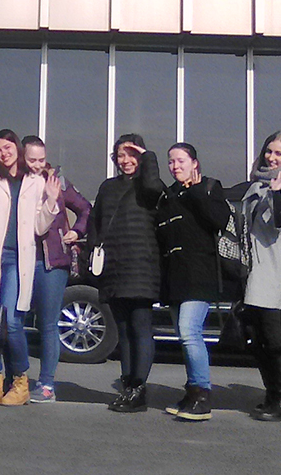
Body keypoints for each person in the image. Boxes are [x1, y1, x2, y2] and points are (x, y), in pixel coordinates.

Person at [0, 129, 61, 407]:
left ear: (17, 149)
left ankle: (20, 381)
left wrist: (51, 200)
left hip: (17, 261)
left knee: (10, 321)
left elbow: (39, 228)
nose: (3, 154)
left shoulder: (34, 182)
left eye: (8, 148)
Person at [89, 134, 165, 413]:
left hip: (142, 266)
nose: (125, 160)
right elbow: (95, 222)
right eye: (121, 155)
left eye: (132, 154)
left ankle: (139, 389)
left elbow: (155, 187)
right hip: (114, 266)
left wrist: (148, 156)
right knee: (122, 329)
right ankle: (128, 386)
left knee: (140, 327)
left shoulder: (148, 186)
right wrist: (94, 251)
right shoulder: (108, 187)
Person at [156, 143, 231, 422]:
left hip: (199, 274)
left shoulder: (209, 187)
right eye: (171, 162)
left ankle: (202, 394)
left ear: (194, 163)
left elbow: (219, 220)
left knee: (190, 331)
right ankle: (192, 391)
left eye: (181, 161)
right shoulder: (168, 195)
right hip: (175, 276)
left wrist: (197, 192)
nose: (175, 166)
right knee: (183, 335)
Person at [21, 135, 92, 403]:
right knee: (14, 322)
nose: (38, 165)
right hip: (21, 258)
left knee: (47, 323)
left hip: (52, 261)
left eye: (41, 159)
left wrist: (77, 231)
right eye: (32, 160)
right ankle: (16, 379)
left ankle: (47, 384)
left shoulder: (57, 181)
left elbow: (86, 209)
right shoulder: (16, 181)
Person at [241, 132, 281, 422]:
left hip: (271, 271)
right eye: (269, 151)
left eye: (279, 153)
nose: (272, 157)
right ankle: (273, 394)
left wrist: (276, 194)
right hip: (252, 269)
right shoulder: (257, 184)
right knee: (257, 337)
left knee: (273, 337)